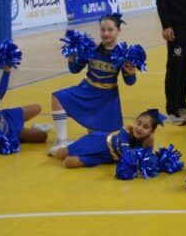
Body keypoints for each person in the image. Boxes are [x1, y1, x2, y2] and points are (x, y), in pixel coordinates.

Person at [49, 14, 138, 152]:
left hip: (106, 99)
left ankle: (93, 130)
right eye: (103, 30)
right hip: (86, 90)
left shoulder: (123, 54)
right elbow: (74, 69)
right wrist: (72, 56)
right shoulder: (91, 48)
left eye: (110, 30)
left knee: (98, 142)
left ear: (118, 31)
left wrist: (131, 73)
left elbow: (130, 82)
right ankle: (61, 140)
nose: (106, 33)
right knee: (58, 97)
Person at [0, 67, 49, 153]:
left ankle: (35, 127)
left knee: (37, 107)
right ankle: (35, 129)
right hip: (12, 134)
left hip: (10, 117)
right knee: (43, 136)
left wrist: (6, 71)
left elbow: (2, 89)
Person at [53, 110, 159, 168]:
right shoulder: (126, 130)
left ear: (151, 131)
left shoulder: (147, 140)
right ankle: (69, 146)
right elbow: (126, 152)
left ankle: (75, 151)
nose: (140, 128)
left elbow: (145, 158)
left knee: (69, 163)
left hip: (107, 158)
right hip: (99, 142)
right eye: (138, 123)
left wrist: (149, 142)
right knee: (60, 155)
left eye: (145, 127)